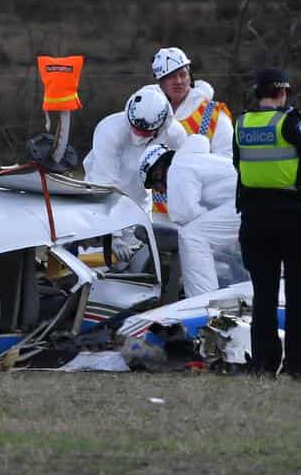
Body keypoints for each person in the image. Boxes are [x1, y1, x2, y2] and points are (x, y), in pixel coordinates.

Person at [233, 67, 301, 378]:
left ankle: (263, 363)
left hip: (255, 216)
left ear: (257, 93)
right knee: (300, 291)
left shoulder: (241, 124)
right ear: (282, 92)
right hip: (291, 214)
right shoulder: (290, 121)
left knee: (264, 294)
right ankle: (298, 365)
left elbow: (239, 165)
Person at [139, 139, 242, 297]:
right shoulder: (194, 161)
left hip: (244, 204)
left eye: (155, 186)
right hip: (252, 201)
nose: (158, 192)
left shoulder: (177, 169)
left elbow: (184, 214)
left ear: (158, 172)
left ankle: (202, 301)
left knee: (192, 235)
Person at [148, 47, 234, 219]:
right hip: (154, 213)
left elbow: (227, 166)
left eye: (183, 74)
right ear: (160, 82)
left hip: (201, 213)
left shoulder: (214, 114)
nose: (178, 81)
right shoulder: (148, 113)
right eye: (171, 76)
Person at [82, 85, 189, 213]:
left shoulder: (175, 135)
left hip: (141, 202)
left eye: (145, 132)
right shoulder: (109, 130)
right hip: (102, 197)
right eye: (135, 129)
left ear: (161, 125)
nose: (138, 135)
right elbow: (104, 182)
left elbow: (181, 172)